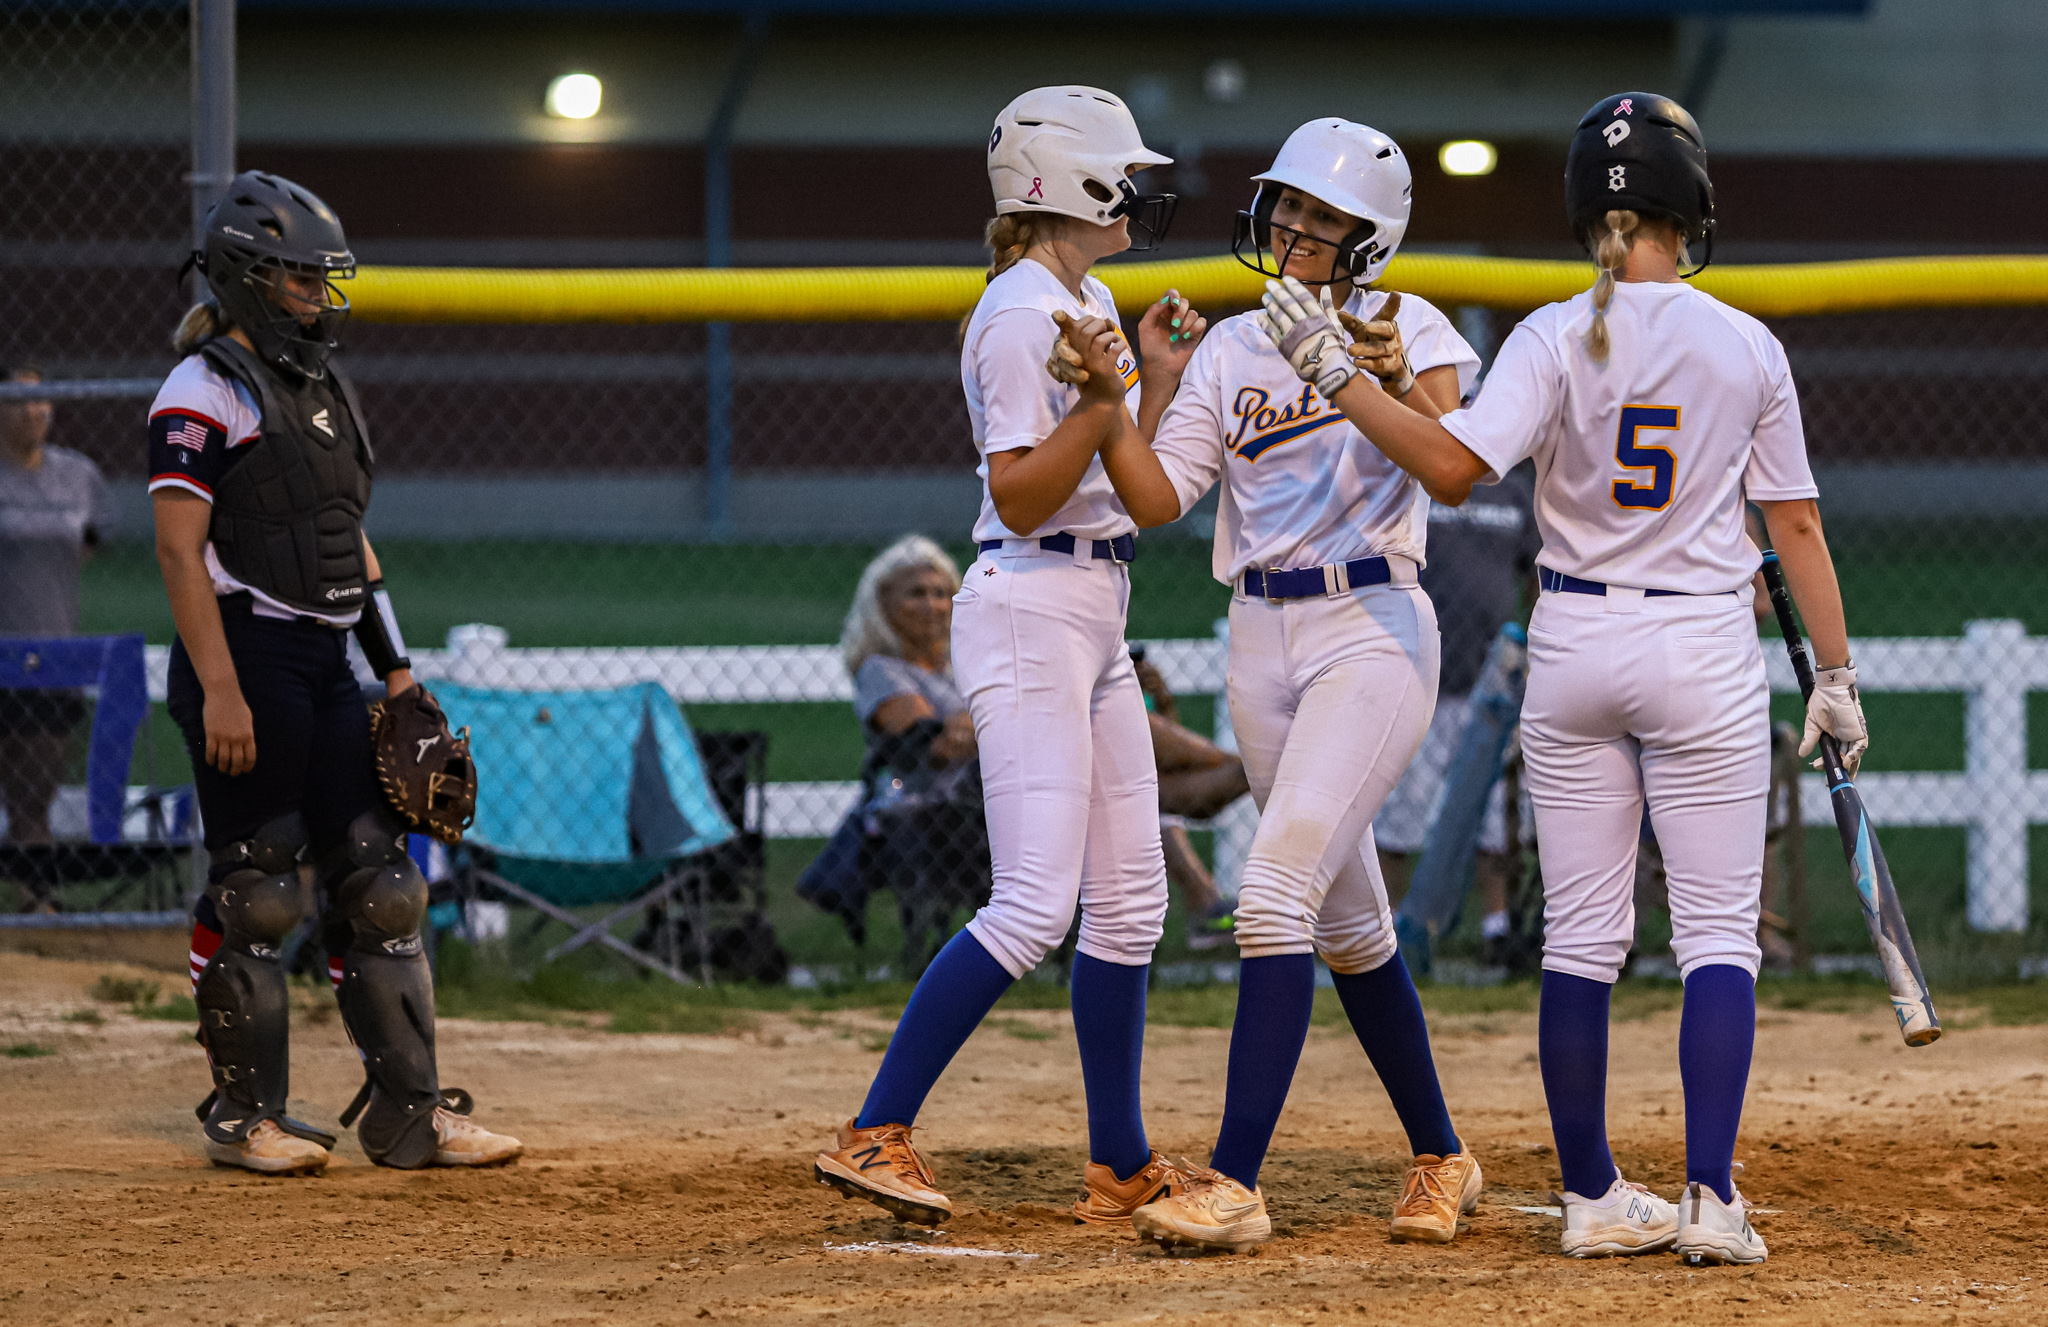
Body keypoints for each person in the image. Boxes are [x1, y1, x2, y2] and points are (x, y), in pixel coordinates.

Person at [1266, 92, 1865, 1265]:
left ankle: (1591, 1197)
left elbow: (1449, 466)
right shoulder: (1745, 341)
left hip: (1574, 643)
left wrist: (1337, 375)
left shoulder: (1548, 332)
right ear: (1687, 209)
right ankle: (1708, 1199)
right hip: (1697, 647)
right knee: (1714, 941)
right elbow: (1790, 525)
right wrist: (1833, 676)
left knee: (1581, 941)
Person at [813, 85, 1205, 1229]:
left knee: (1129, 903)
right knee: (1036, 902)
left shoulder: (1080, 299)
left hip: (1092, 603)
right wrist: (1101, 401)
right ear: (1065, 184)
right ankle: (876, 1127)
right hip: (1032, 598)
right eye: (1119, 172)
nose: (1136, 190)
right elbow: (1023, 496)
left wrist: (1150, 380)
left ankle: (1118, 1159)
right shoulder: (1018, 310)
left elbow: (1125, 485)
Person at [1093, 118, 1485, 1251]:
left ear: (1372, 237)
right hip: (1258, 636)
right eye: (1287, 207)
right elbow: (1155, 500)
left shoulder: (1408, 325)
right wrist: (1148, 384)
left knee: (1270, 899)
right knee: (1352, 926)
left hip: (1371, 627)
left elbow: (1455, 465)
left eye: (1324, 216)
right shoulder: (1227, 348)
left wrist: (1389, 374)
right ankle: (1440, 1154)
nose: (1295, 229)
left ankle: (1234, 1178)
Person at [151, 170, 522, 1176]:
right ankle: (246, 1115)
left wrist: (396, 675)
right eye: (298, 279)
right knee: (259, 888)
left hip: (324, 659)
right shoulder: (202, 388)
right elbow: (181, 555)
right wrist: (219, 685)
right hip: (244, 653)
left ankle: (408, 1115)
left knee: (383, 883)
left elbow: (348, 543)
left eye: (323, 280)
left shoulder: (320, 386)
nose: (318, 296)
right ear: (245, 277)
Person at [1373, 460, 1539, 956]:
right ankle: (1388, 929)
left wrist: (1533, 640)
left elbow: (1534, 571)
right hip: (1414, 674)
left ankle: (1496, 925)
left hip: (1490, 682)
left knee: (1494, 816)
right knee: (1399, 810)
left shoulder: (1512, 492)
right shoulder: (1414, 481)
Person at [0, 363, 112, 849]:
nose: (36, 410)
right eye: (22, 400)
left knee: (35, 798)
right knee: (18, 793)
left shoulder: (77, 475)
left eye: (44, 398)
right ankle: (32, 904)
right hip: (3, 653)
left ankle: (36, 904)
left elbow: (88, 543)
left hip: (56, 655)